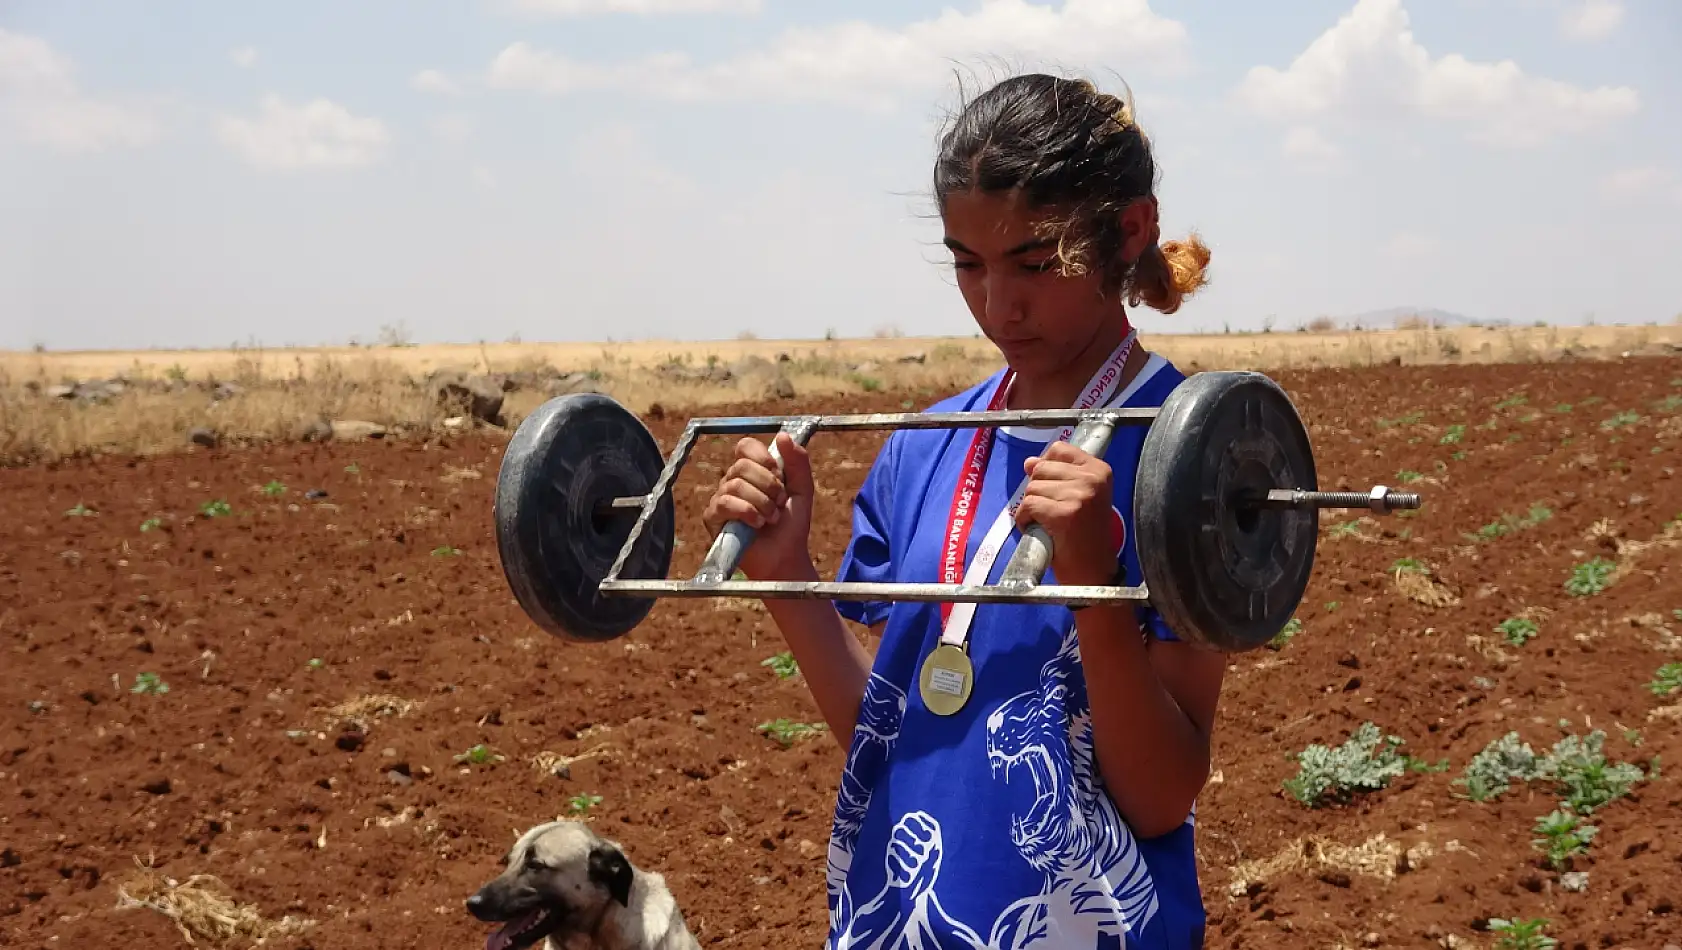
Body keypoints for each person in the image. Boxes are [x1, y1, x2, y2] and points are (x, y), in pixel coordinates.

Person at [701, 71, 1222, 950]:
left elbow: (1163, 792)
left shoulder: (1188, 458)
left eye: (1033, 263)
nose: (996, 305)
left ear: (1128, 230)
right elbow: (894, 733)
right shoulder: (926, 444)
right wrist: (787, 578)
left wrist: (1090, 574)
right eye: (967, 265)